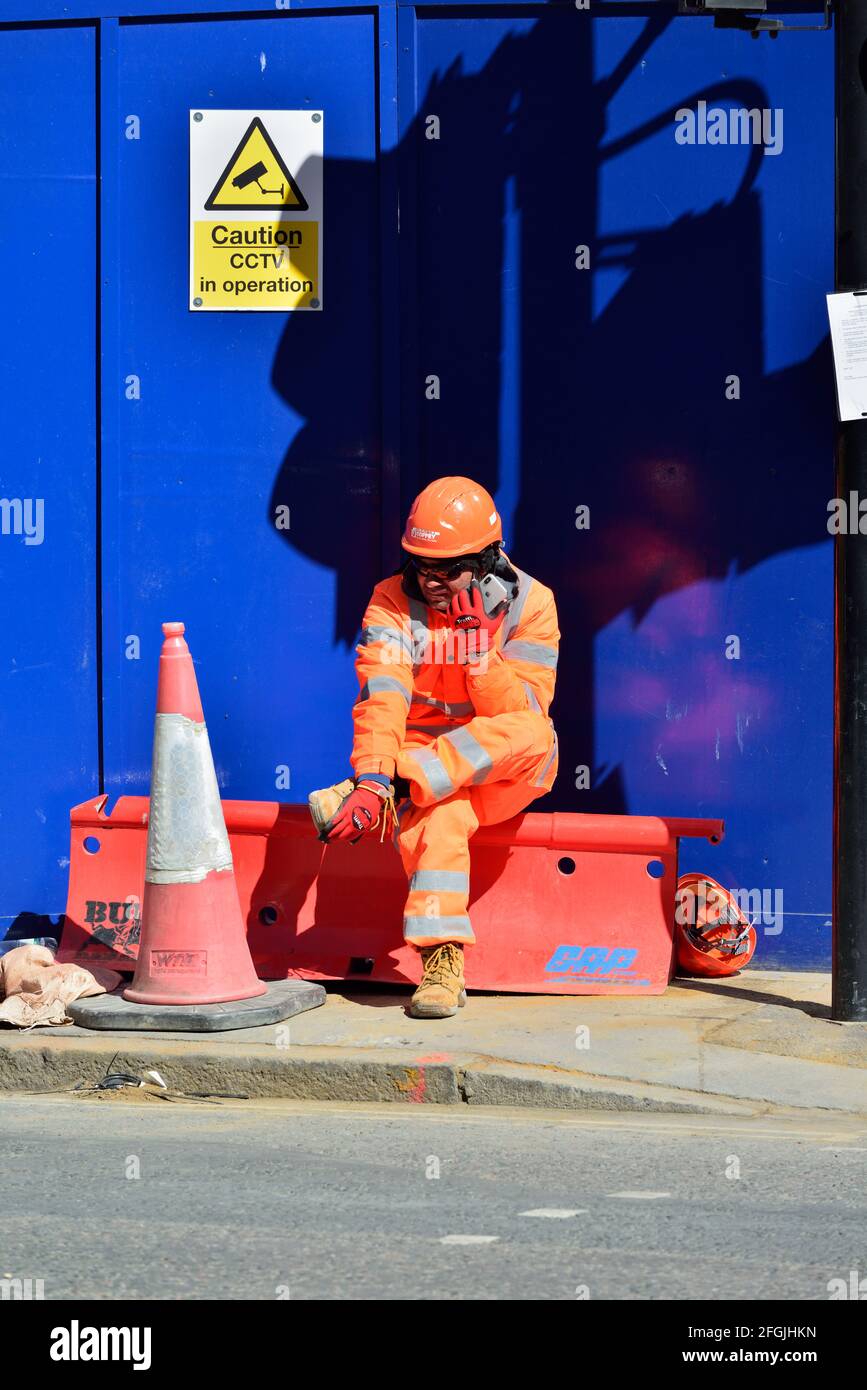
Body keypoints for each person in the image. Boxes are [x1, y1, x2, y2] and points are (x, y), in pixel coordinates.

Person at [308, 477, 559, 1018]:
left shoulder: (533, 605)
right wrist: (375, 773)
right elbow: (382, 696)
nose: (433, 581)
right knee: (440, 810)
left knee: (540, 733)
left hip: (503, 767)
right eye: (423, 566)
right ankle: (442, 962)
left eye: (449, 570)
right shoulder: (390, 601)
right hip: (429, 771)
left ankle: (400, 784)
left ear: (490, 559)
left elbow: (520, 716)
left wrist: (481, 655)